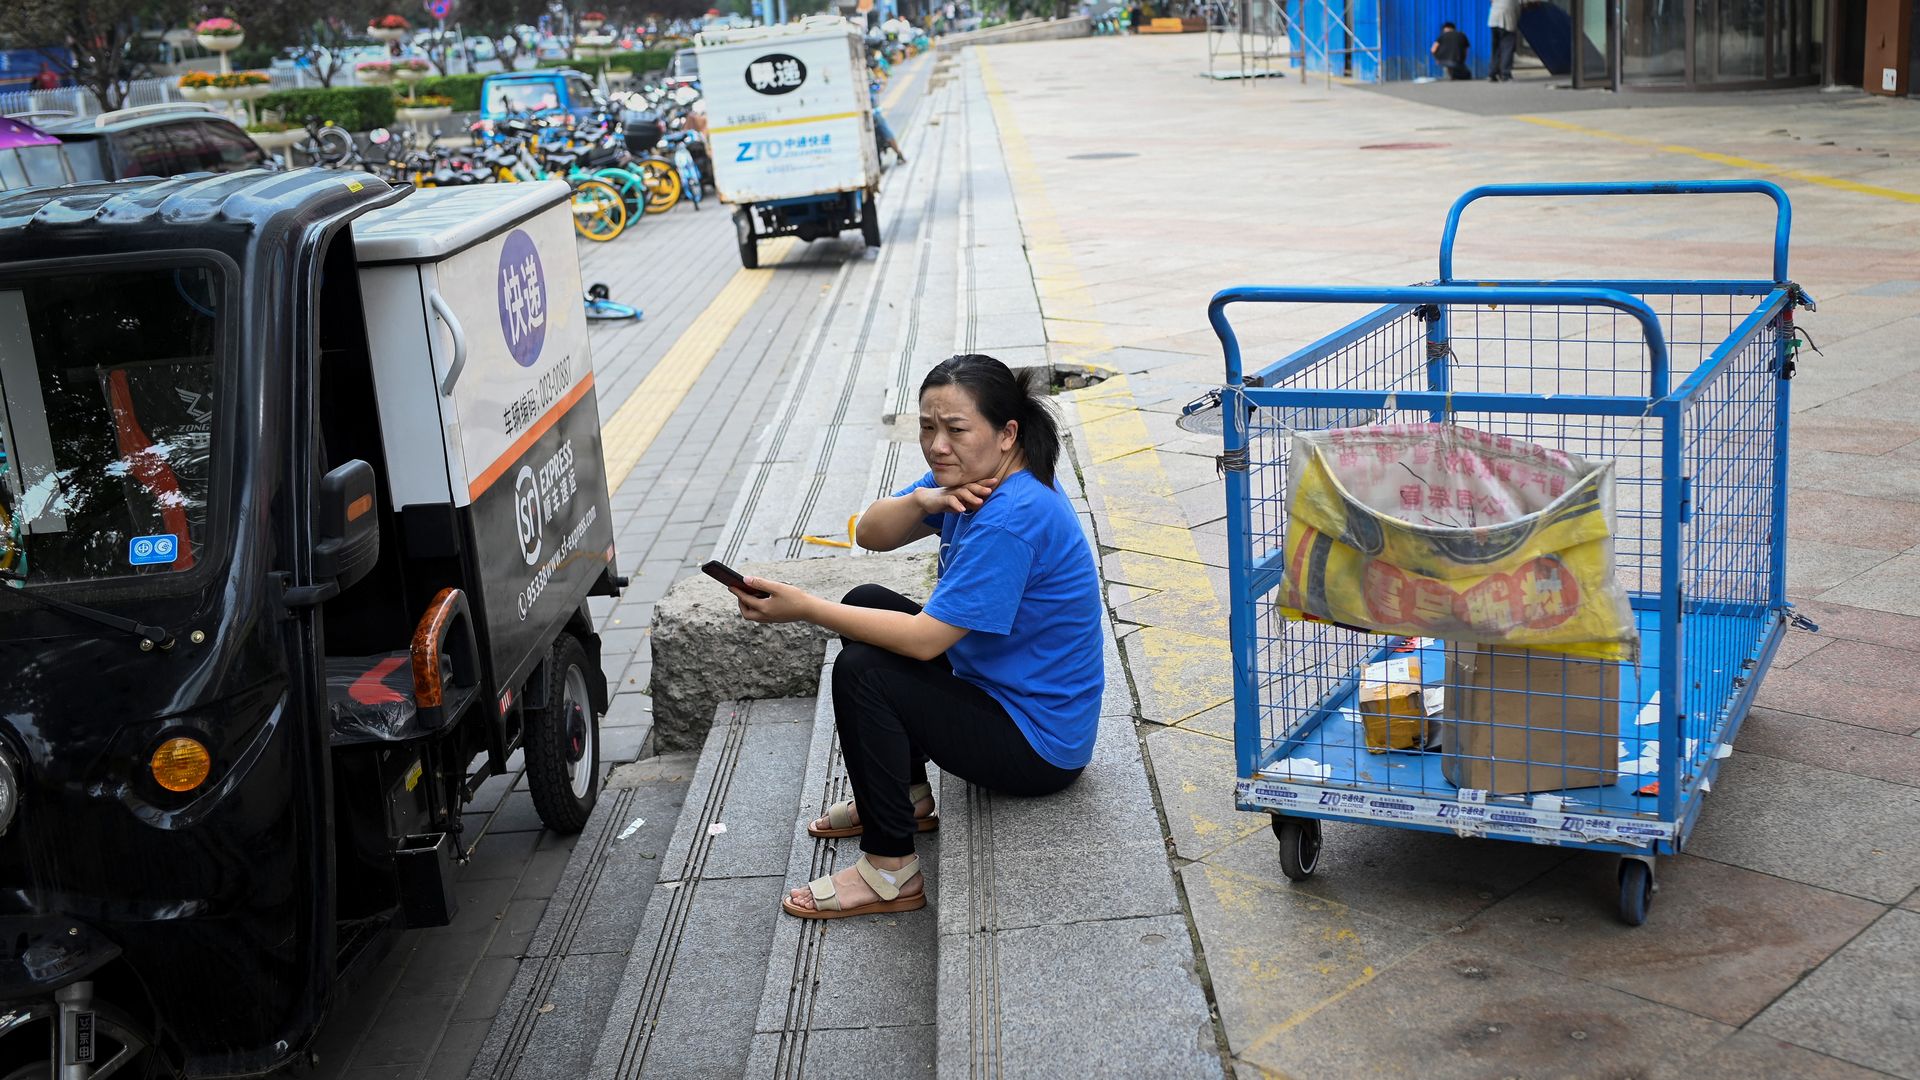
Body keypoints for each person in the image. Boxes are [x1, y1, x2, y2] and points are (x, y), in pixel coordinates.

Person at [726, 354, 1104, 921]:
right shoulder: (972, 474)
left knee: (864, 674)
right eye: (928, 427)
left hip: (1037, 746)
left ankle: (889, 870)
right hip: (995, 691)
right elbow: (872, 536)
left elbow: (926, 641)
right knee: (867, 601)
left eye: (955, 429)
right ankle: (907, 798)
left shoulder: (1012, 517)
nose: (937, 444)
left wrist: (805, 607)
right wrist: (920, 502)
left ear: (1007, 434)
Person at [1487, 0, 1519, 81]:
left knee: (1496, 49)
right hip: (1506, 22)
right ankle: (1505, 74)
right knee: (1507, 48)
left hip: (1493, 21)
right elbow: (1518, 9)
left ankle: (1492, 74)